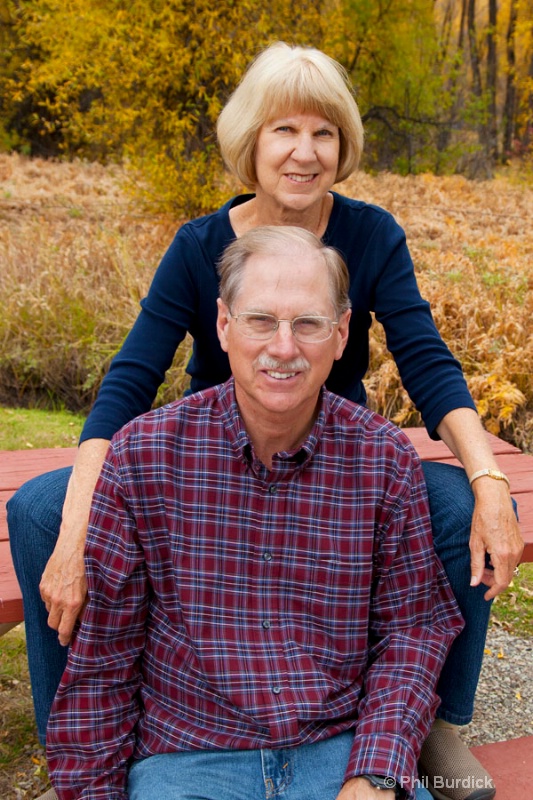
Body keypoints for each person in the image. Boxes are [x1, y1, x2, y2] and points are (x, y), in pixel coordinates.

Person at [8, 41, 522, 800]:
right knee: (43, 510)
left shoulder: (371, 234)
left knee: (456, 510)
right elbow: (130, 378)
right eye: (284, 130)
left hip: (338, 444)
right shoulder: (198, 245)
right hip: (211, 444)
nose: (304, 152)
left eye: (323, 133)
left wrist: (484, 478)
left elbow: (425, 357)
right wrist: (83, 515)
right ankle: (76, 747)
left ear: (342, 145)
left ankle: (431, 718)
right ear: (251, 140)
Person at [46, 226, 462, 800]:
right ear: (222, 325)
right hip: (190, 760)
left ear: (342, 334)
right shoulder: (143, 458)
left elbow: (413, 630)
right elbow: (104, 663)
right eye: (261, 320)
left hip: (339, 752)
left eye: (308, 324)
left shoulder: (384, 459)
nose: (284, 347)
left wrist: (377, 772)